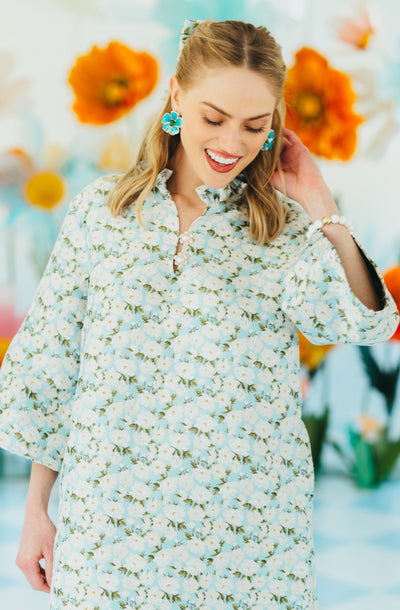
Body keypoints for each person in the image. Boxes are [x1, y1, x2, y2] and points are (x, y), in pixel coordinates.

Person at [0, 18, 398, 610]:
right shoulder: (99, 215)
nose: (231, 143)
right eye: (214, 118)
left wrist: (320, 204)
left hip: (251, 543)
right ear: (176, 98)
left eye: (254, 125)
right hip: (111, 533)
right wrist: (36, 511)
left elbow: (366, 322)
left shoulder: (283, 231)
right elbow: (52, 368)